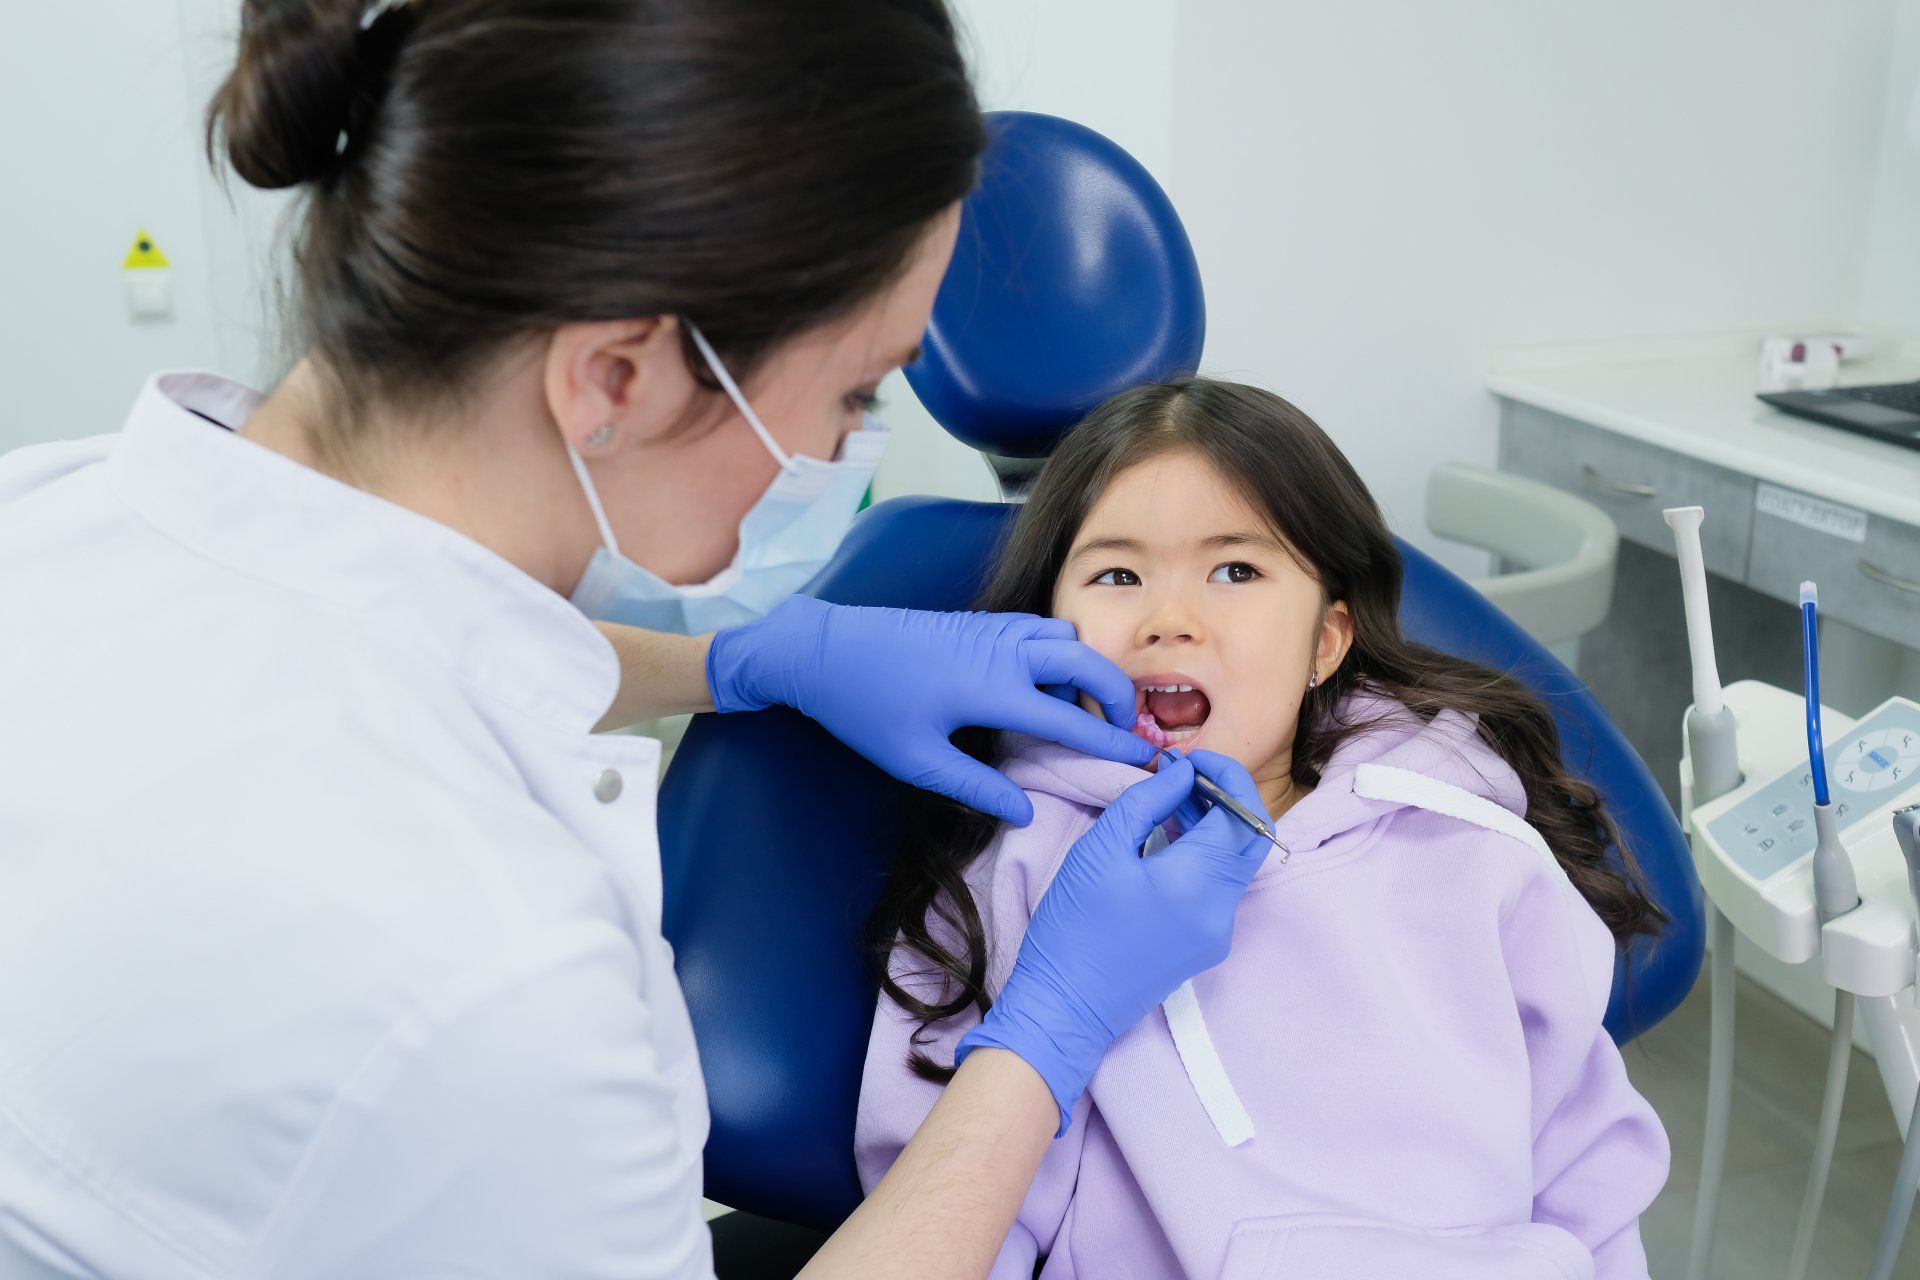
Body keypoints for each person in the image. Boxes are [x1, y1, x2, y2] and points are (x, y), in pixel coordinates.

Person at [0, 4, 1275, 1276]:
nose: (846, 448)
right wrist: (1044, 1039)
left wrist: (742, 661)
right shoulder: (497, 979)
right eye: (855, 392)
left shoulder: (40, 519)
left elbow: (399, 643)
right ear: (616, 377)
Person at [858, 378, 1674, 1278]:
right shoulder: (1012, 867)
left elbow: (1588, 1175)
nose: (1170, 621)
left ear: (1327, 642)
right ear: (1051, 626)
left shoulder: (1471, 849)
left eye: (1236, 571)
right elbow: (950, 1211)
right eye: (1117, 575)